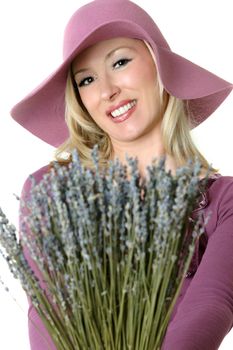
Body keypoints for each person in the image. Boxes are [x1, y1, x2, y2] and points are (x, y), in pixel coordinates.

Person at [11, 0, 233, 349]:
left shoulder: (224, 202)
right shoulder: (49, 191)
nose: (106, 91)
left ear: (160, 64)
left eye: (120, 61)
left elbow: (210, 309)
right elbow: (47, 323)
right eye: (86, 79)